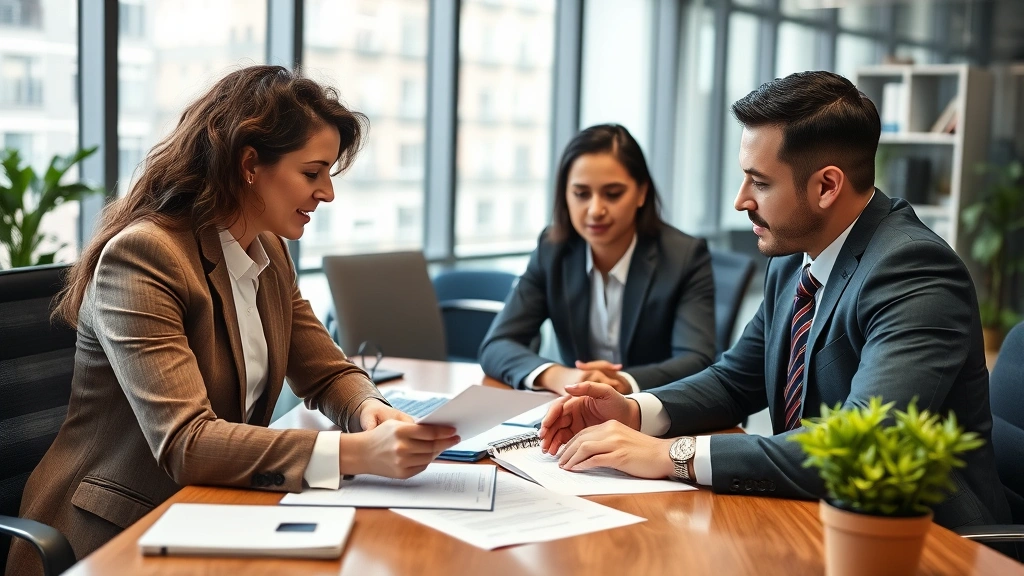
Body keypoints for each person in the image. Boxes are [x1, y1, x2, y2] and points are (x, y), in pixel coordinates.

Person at [7, 66, 461, 575]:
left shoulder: (267, 250)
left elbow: (327, 371)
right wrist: (355, 454)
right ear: (250, 164)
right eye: (312, 173)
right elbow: (187, 442)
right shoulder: (142, 257)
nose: (327, 193)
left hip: (213, 509)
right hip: (116, 532)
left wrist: (368, 410)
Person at [538, 71, 1010, 530]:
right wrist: (635, 411)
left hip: (927, 540)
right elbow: (735, 380)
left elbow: (860, 442)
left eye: (759, 183)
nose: (741, 200)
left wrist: (671, 455)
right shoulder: (792, 257)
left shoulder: (915, 270)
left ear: (827, 186)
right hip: (816, 514)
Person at [479, 124, 716, 396]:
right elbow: (497, 344)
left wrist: (623, 382)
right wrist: (561, 375)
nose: (595, 210)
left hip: (656, 411)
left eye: (613, 194)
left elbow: (697, 360)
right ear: (565, 195)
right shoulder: (552, 250)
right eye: (581, 194)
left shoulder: (685, 256)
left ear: (641, 193)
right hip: (578, 410)